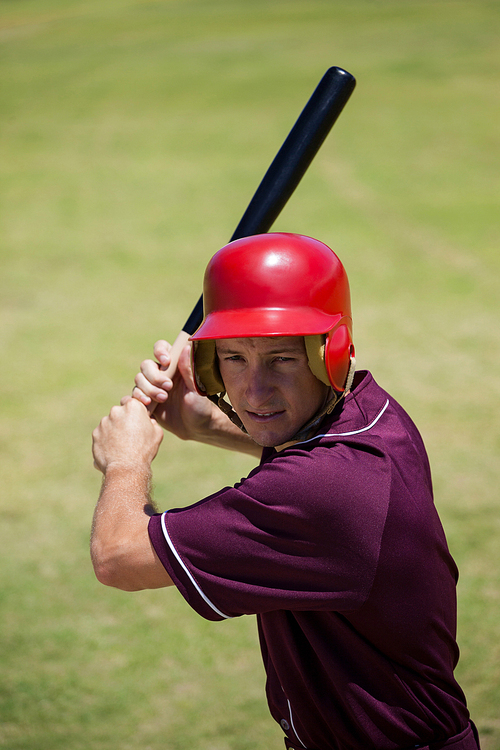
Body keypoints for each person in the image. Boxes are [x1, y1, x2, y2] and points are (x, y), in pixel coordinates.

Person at [91, 233, 480, 750]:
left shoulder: (321, 490)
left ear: (329, 354)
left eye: (281, 360)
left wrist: (125, 462)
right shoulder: (371, 418)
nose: (254, 390)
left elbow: (117, 557)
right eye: (233, 359)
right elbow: (302, 454)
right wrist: (201, 420)